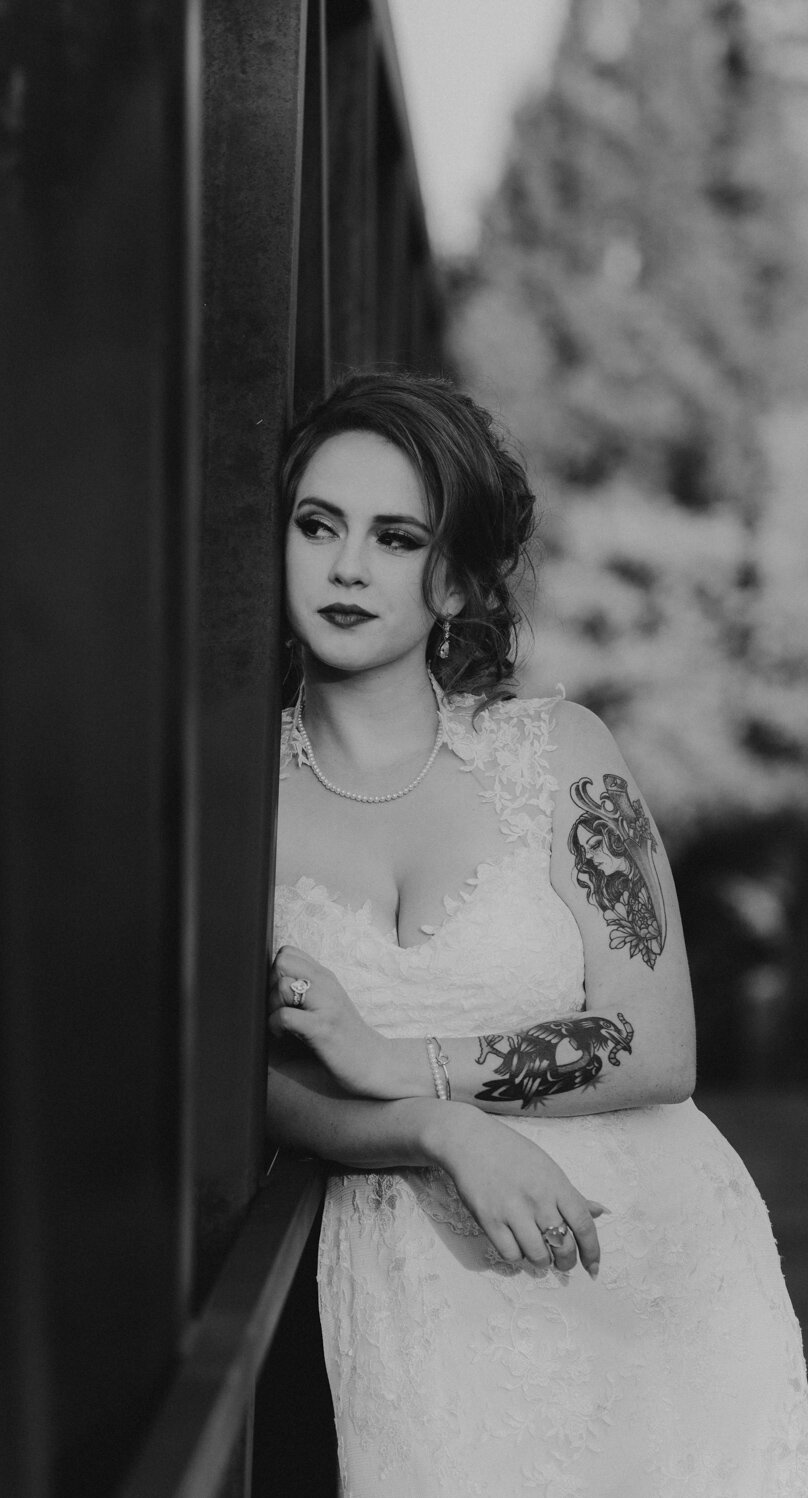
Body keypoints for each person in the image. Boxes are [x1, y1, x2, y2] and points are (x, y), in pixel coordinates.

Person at [267, 370, 808, 1497]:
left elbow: (656, 1043)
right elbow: (242, 1080)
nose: (349, 566)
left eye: (396, 536)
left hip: (655, 1272)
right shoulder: (232, 798)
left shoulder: (557, 755)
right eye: (317, 525)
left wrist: (396, 1060)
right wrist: (437, 1129)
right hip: (421, 1290)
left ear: (456, 579)